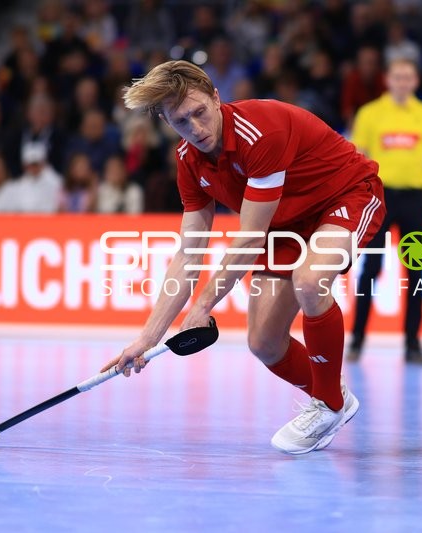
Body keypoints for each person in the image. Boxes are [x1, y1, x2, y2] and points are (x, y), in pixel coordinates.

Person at [102, 60, 386, 455]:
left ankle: (329, 405)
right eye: (182, 122)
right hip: (284, 222)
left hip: (345, 195)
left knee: (309, 280)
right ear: (168, 124)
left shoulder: (260, 133)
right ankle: (334, 395)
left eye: (200, 112)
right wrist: (148, 338)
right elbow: (189, 253)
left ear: (217, 98)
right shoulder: (188, 160)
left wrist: (203, 305)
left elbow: (249, 239)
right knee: (265, 343)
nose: (196, 129)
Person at [346, 57, 422, 365]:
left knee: (416, 271)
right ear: (388, 80)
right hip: (379, 198)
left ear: (415, 82)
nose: (402, 82)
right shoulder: (370, 113)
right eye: (397, 76)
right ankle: (357, 341)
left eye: (408, 77)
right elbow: (357, 158)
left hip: (415, 198)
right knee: (370, 271)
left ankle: (413, 345)